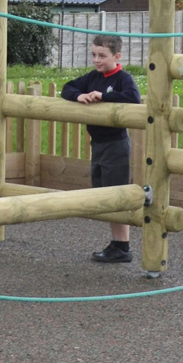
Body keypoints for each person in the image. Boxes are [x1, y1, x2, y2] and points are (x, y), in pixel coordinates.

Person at [61, 34, 141, 263]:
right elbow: (67, 88)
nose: (96, 60)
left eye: (102, 56)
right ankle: (118, 243)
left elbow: (133, 99)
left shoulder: (122, 78)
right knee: (102, 193)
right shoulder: (92, 77)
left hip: (116, 144)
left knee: (115, 195)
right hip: (98, 144)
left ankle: (123, 246)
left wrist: (105, 96)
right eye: (94, 55)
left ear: (117, 56)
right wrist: (80, 95)